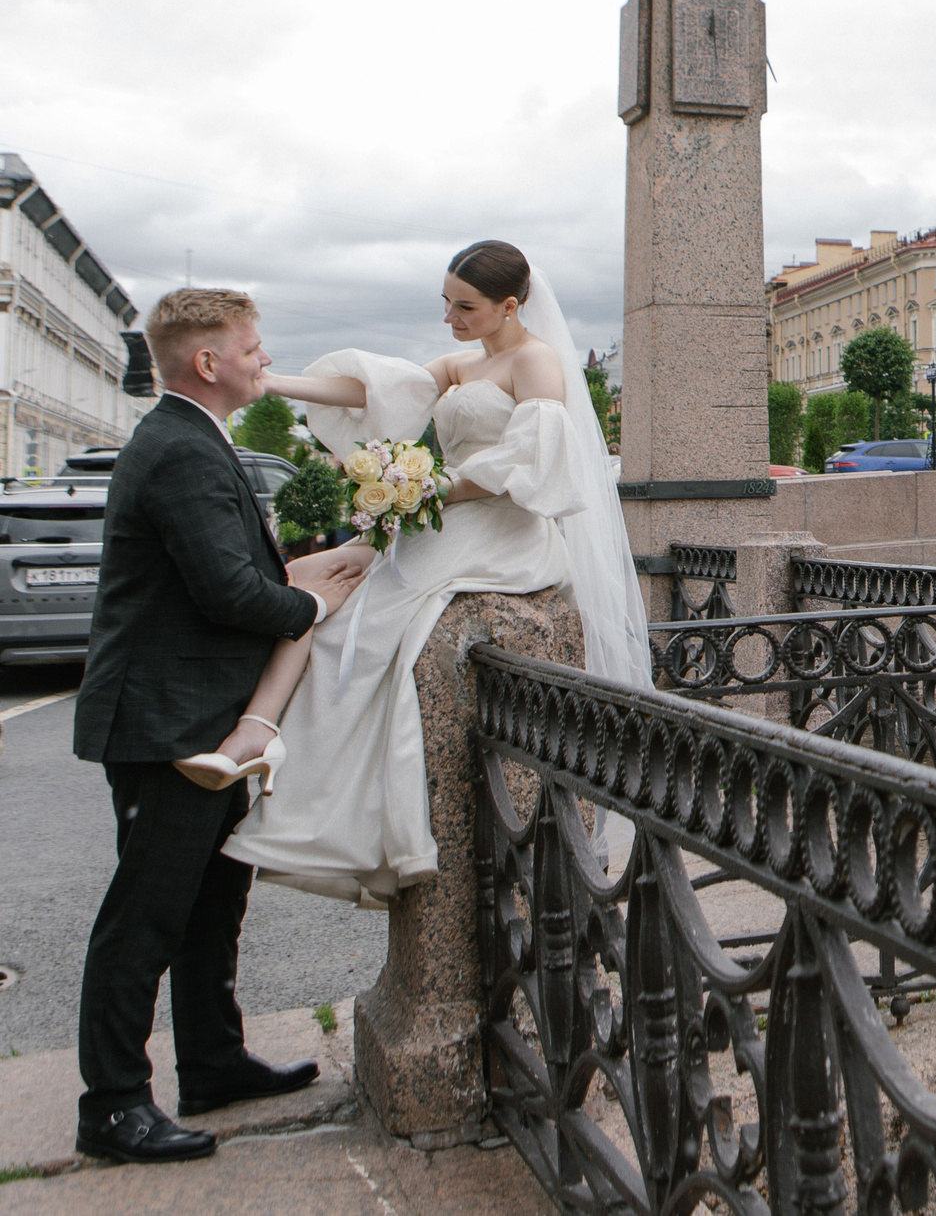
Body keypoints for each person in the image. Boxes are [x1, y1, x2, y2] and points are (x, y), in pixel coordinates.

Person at [210, 241, 653, 907]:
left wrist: (424, 489)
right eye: (445, 302)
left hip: (502, 537)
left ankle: (326, 807)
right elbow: (374, 389)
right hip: (442, 520)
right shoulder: (465, 360)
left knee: (360, 627)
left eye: (465, 306)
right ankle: (273, 750)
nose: (450, 316)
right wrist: (272, 383)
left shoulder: (535, 360)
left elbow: (530, 461)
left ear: (511, 305)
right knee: (322, 586)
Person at [71, 288, 374, 1165]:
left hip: (193, 717)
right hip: (165, 724)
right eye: (251, 346)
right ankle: (114, 1107)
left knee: (210, 903)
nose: (263, 356)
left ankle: (211, 1062)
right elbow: (233, 595)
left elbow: (238, 570)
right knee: (147, 916)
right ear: (208, 362)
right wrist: (315, 602)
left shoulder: (190, 440)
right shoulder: (179, 450)